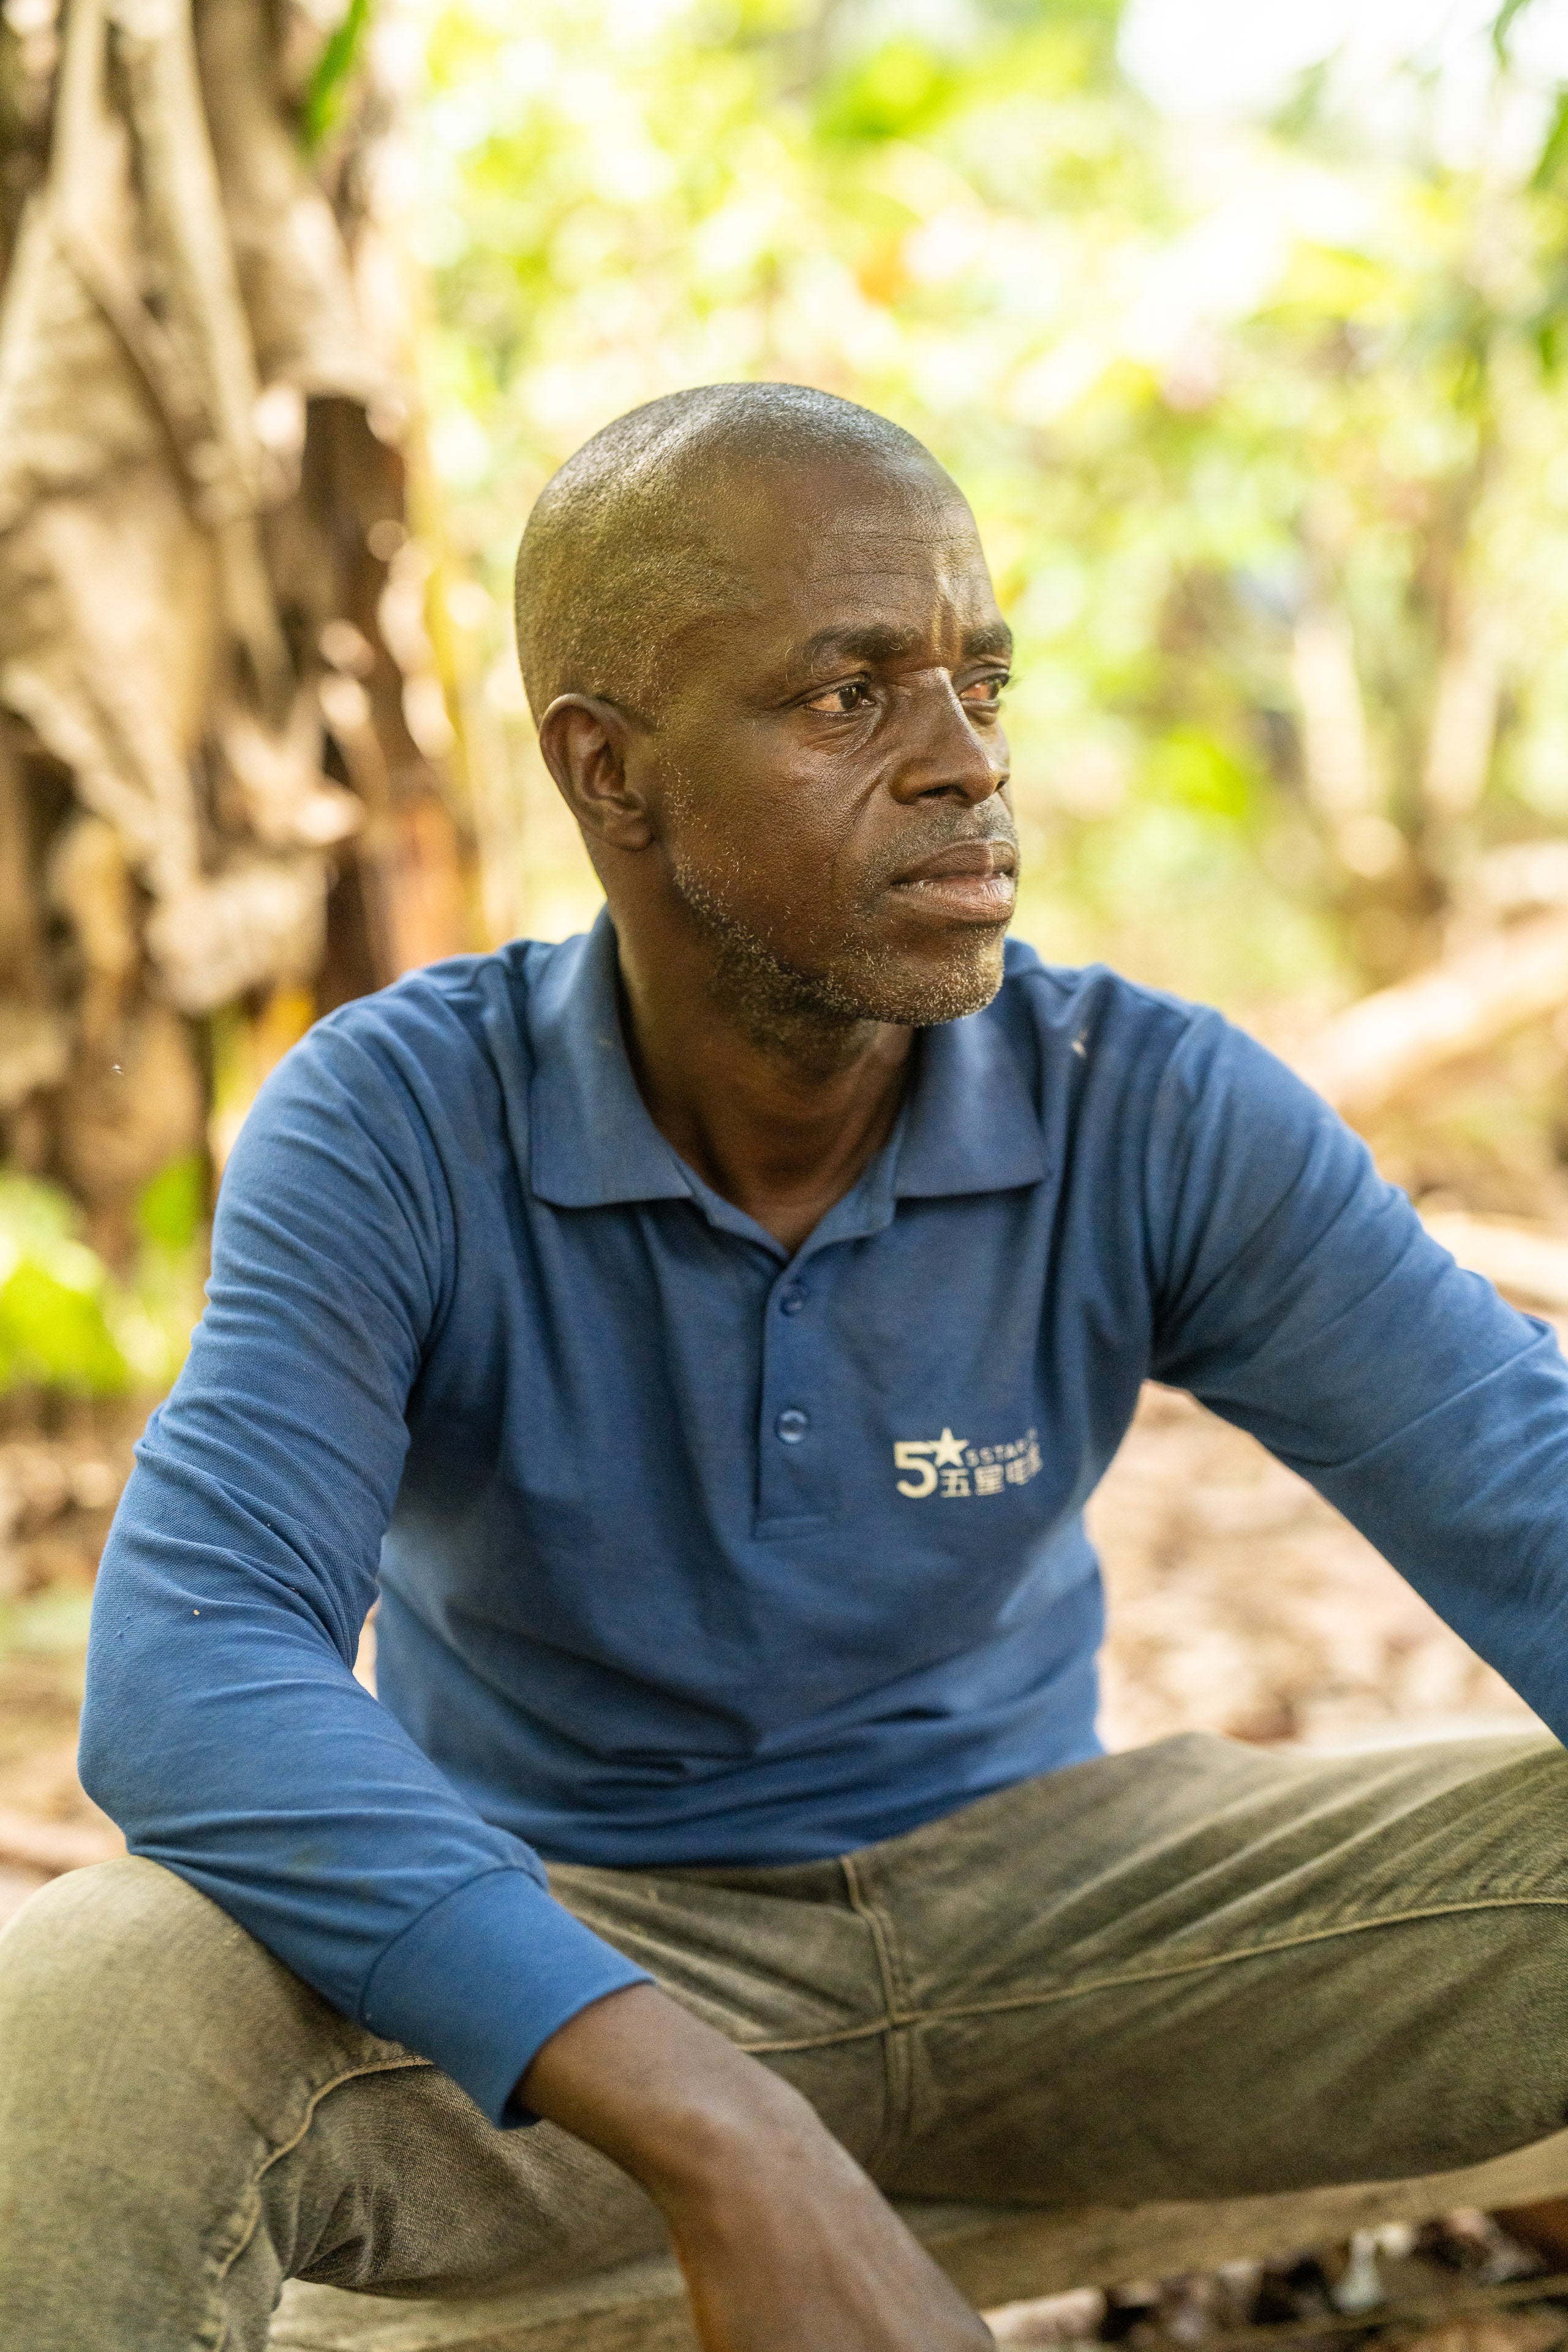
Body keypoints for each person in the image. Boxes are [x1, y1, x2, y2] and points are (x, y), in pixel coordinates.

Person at [5, 382, 1568, 2352]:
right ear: (610, 774)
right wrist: (715, 2120)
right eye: (852, 699)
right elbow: (189, 1669)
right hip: (569, 1971)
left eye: (979, 685)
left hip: (1074, 1944)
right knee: (87, 2007)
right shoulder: (400, 1121)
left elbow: (1530, 1492)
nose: (966, 766)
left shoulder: (1142, 1107)